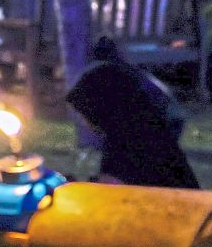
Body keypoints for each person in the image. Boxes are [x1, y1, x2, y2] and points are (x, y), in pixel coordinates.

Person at [66, 37, 199, 188]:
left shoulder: (123, 150)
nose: (84, 122)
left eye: (84, 114)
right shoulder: (150, 133)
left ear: (101, 111)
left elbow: (110, 193)